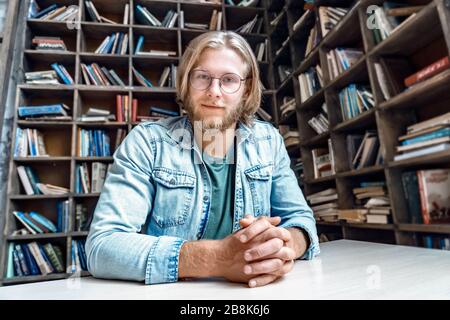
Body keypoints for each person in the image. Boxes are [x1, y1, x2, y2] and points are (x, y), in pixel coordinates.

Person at [85, 31, 319, 288]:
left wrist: (283, 246)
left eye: (229, 80)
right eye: (202, 77)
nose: (214, 92)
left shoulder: (268, 141)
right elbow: (102, 247)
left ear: (247, 88)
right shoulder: (147, 143)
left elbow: (301, 220)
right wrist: (218, 258)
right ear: (186, 82)